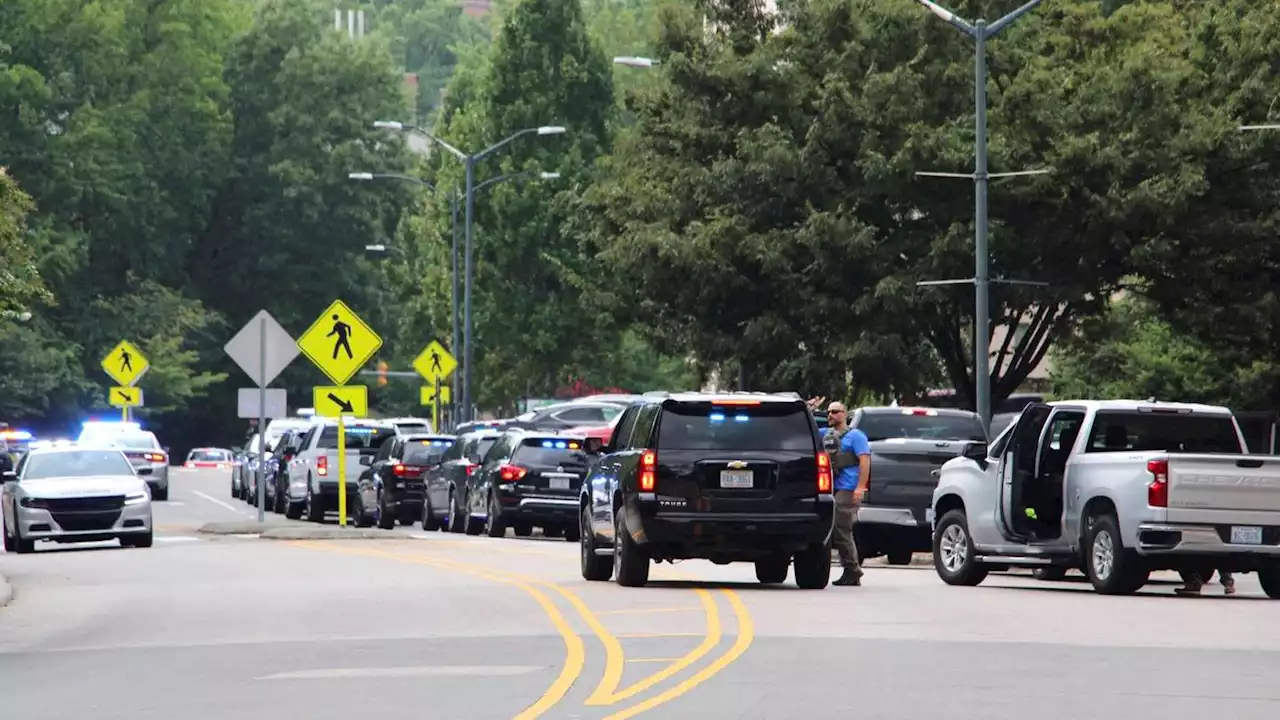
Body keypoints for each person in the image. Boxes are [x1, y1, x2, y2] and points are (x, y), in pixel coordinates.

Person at [808, 396, 872, 586]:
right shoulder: (824, 434)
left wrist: (860, 487)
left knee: (841, 528)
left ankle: (852, 569)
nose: (831, 415)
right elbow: (806, 430)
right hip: (830, 487)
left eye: (835, 412)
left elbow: (865, 461)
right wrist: (810, 410)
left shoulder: (856, 436)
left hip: (848, 487)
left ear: (845, 415)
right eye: (828, 412)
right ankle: (850, 569)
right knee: (833, 527)